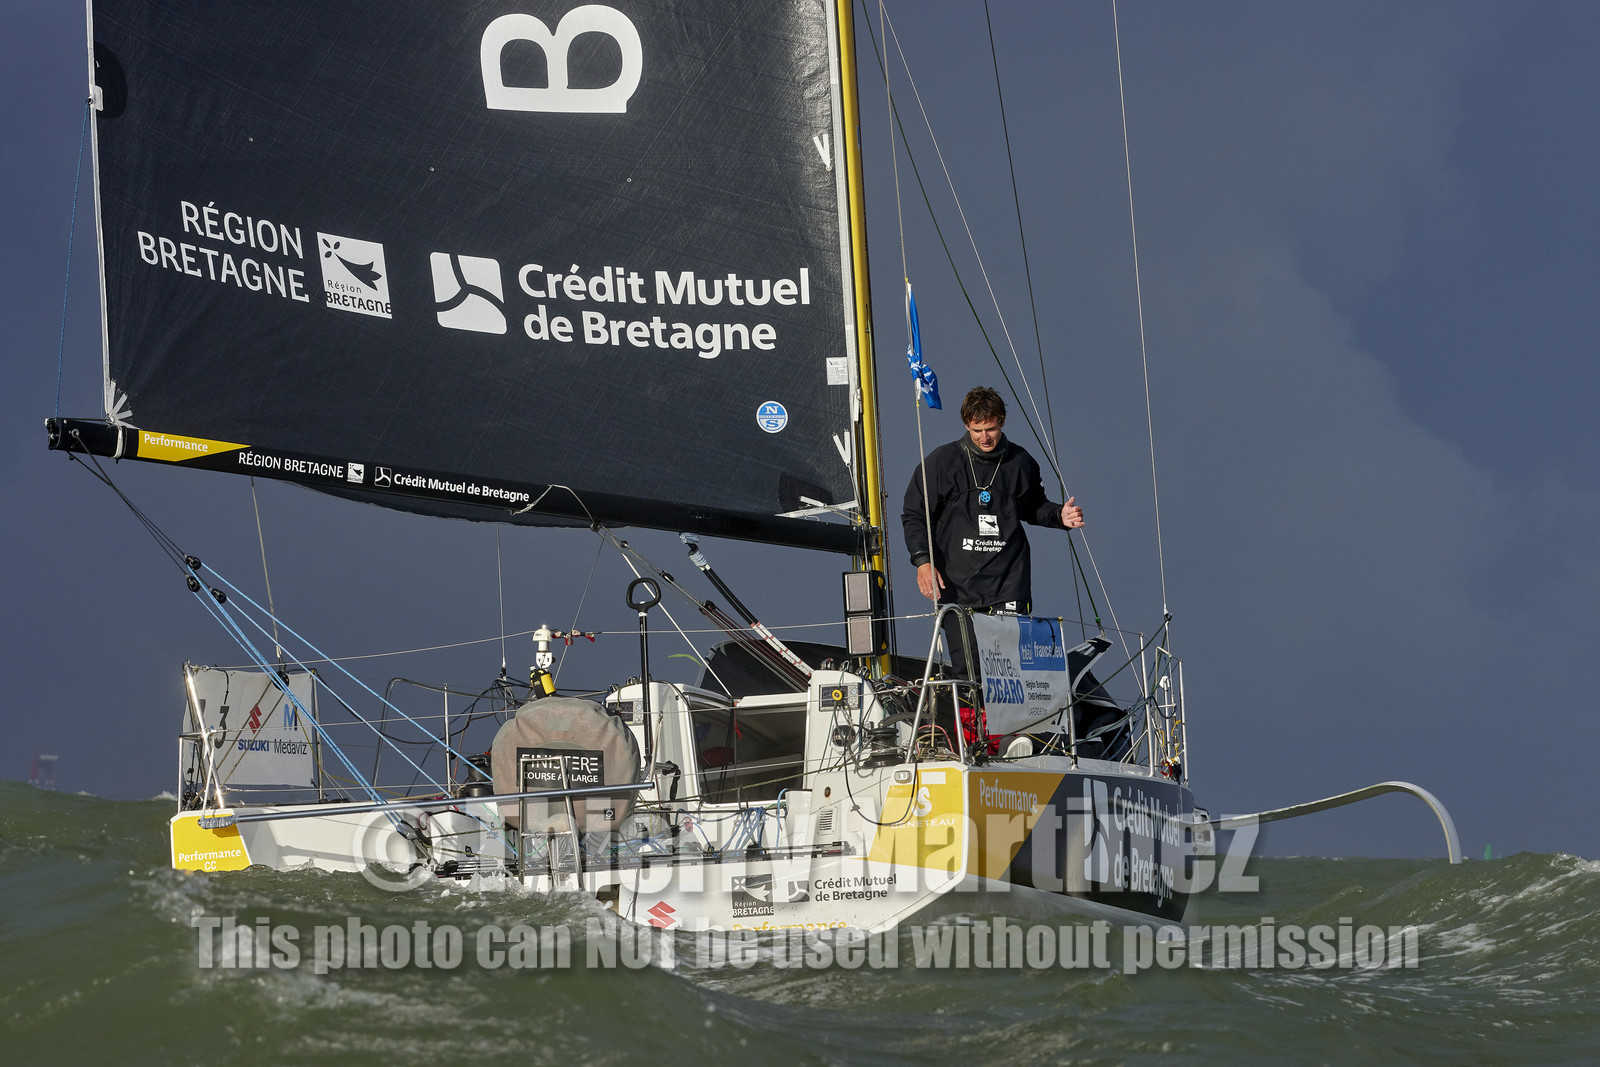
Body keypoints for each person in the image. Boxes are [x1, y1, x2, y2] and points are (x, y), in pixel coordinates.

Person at [903, 386, 1083, 618]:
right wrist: (922, 562)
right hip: (957, 589)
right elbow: (914, 515)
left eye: (991, 429)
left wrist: (1060, 516)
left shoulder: (1020, 462)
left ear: (1002, 421)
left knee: (1010, 654)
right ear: (966, 425)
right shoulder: (942, 462)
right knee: (969, 656)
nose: (984, 437)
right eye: (977, 430)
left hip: (1009, 587)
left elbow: (1033, 507)